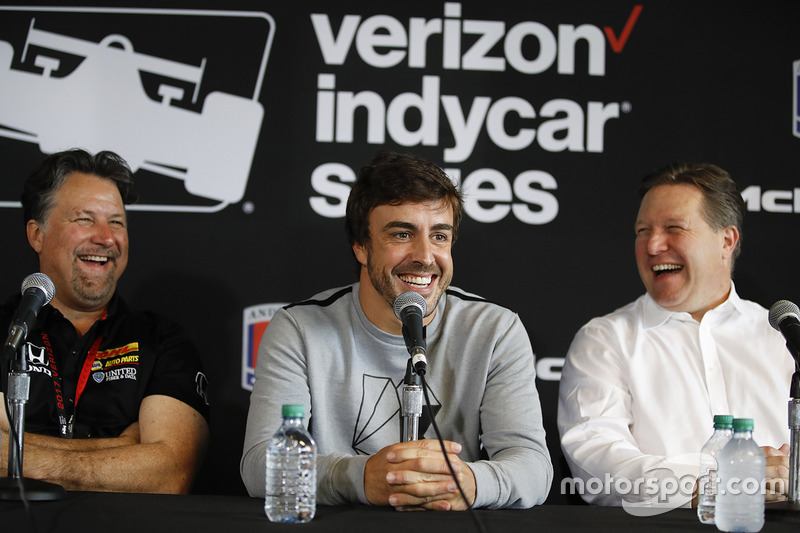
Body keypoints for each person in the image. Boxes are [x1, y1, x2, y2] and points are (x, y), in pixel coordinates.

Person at [241, 151, 552, 510]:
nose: (425, 256)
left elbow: (534, 467)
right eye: (402, 234)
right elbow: (259, 464)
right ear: (360, 245)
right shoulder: (299, 328)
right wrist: (360, 478)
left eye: (439, 236)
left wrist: (469, 482)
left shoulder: (495, 328)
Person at [557, 162, 794, 507]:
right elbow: (598, 467)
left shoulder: (782, 337)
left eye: (674, 228)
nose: (653, 245)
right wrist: (710, 486)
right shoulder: (605, 340)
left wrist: (788, 476)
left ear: (726, 240)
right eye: (642, 231)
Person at [0, 149, 210, 493]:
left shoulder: (163, 341)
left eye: (116, 222)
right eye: (84, 219)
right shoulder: (6, 332)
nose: (106, 237)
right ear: (37, 235)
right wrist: (125, 448)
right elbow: (149, 464)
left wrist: (15, 450)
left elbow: (170, 473)